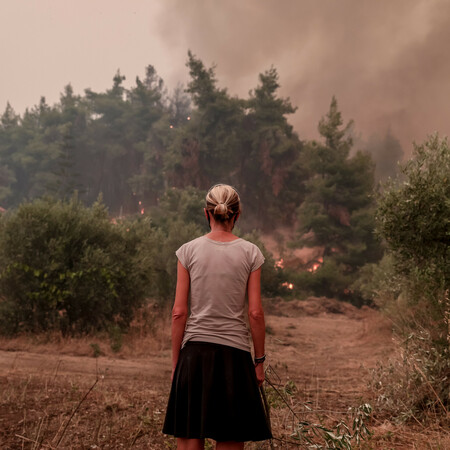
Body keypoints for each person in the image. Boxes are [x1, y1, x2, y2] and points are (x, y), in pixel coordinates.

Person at [163, 184, 272, 450]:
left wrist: (177, 363)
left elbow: (179, 312)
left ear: (206, 213)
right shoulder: (251, 252)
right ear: (237, 214)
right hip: (234, 360)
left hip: (194, 357)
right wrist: (258, 362)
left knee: (190, 439)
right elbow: (255, 313)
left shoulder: (187, 251)